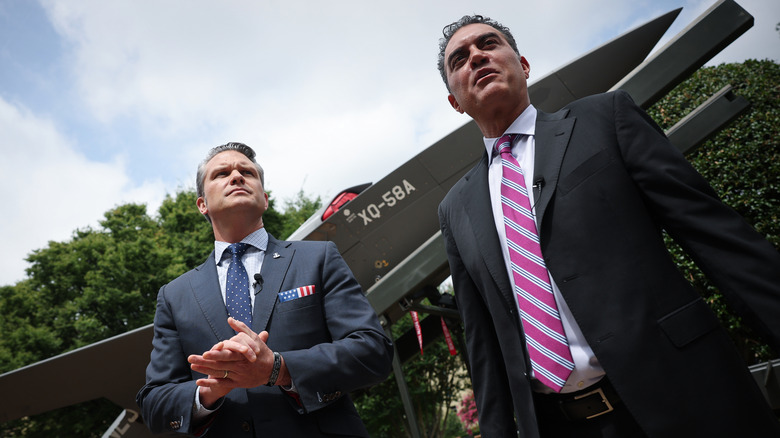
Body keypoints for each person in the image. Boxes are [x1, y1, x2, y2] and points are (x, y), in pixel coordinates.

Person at [436, 15, 780, 438]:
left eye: (489, 44)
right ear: (455, 102)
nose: (476, 56)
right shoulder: (455, 210)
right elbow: (483, 345)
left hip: (689, 395)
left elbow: (720, 241)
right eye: (460, 59)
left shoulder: (604, 119)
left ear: (523, 65)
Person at [136, 142, 393, 437]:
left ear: (265, 199)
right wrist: (208, 391)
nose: (236, 176)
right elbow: (154, 403)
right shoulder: (174, 295)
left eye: (247, 171)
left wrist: (279, 367)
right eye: (221, 174)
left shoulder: (318, 259)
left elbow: (373, 351)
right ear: (202, 204)